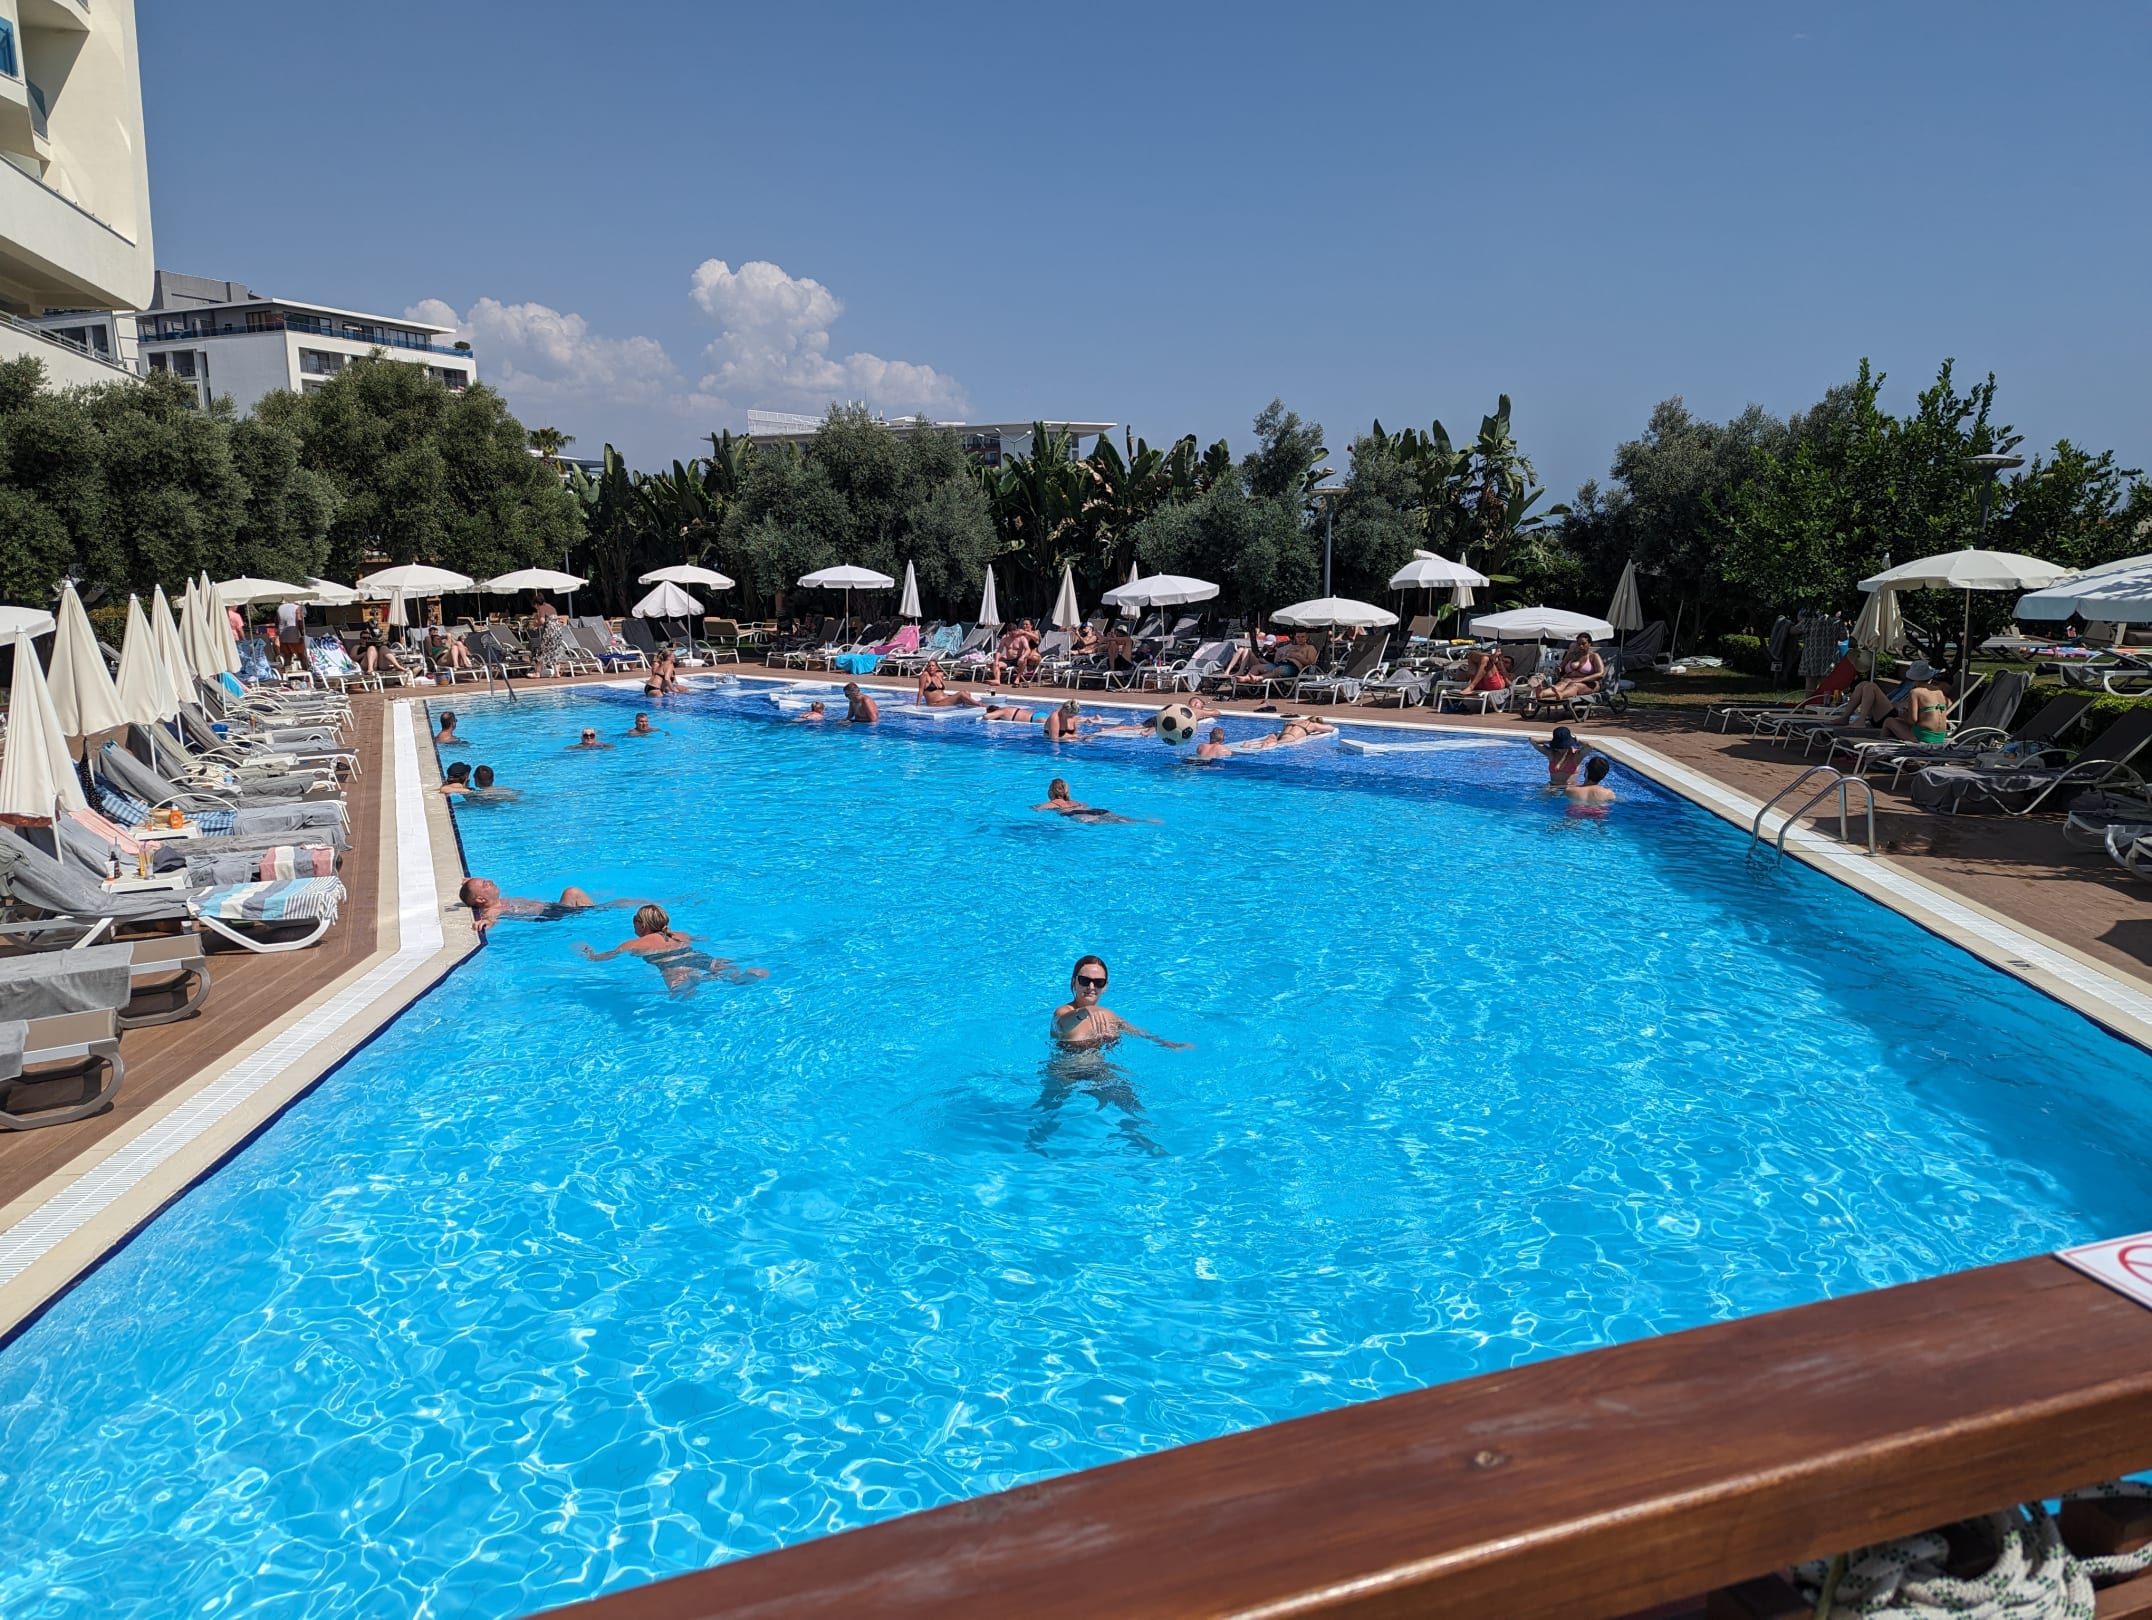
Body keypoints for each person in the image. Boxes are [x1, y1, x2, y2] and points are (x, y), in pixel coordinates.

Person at [577, 903, 767, 994]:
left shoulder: (634, 944)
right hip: (698, 956)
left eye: (635, 921)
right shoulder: (681, 934)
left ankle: (694, 981)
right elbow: (700, 939)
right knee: (728, 976)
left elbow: (608, 956)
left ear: (642, 925)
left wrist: (590, 954)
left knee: (678, 990)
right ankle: (746, 975)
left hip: (671, 964)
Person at [1050, 956, 1191, 1049]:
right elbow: (1062, 1024)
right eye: (1085, 981)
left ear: (1105, 987)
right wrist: (1085, 1011)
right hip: (1064, 1073)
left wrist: (1167, 1043)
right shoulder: (1064, 1012)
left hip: (1099, 1071)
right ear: (1074, 982)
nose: (1091, 987)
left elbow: (1137, 1032)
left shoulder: (1108, 1015)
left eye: (1098, 982)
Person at [459, 877, 629, 932]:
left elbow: (473, 892)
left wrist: (470, 884)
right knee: (573, 892)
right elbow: (490, 918)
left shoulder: (499, 900)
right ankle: (609, 910)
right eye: (485, 885)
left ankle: (601, 908)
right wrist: (486, 922)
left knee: (575, 894)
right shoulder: (494, 909)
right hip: (551, 915)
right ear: (480, 900)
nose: (489, 881)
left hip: (552, 909)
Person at [1528, 633, 1605, 707]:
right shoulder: (1571, 655)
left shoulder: (1594, 656)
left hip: (1589, 684)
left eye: (1583, 644)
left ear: (1589, 644)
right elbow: (1562, 668)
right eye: (1578, 644)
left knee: (1574, 685)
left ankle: (1562, 695)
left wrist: (1581, 680)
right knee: (1560, 685)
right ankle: (1542, 693)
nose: (1581, 646)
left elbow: (1600, 674)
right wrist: (1559, 670)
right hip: (1569, 680)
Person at [1232, 713, 1337, 753]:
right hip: (1290, 736)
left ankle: (1249, 743)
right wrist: (1318, 728)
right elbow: (1331, 728)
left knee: (1270, 738)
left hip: (1279, 733)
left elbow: (1284, 727)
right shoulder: (1312, 724)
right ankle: (1265, 746)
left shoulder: (1295, 720)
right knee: (1277, 743)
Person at [1534, 724, 1586, 788]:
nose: (1561, 749)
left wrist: (1576, 741)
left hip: (1570, 788)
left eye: (1564, 747)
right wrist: (1552, 740)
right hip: (1552, 787)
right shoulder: (1551, 754)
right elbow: (1532, 740)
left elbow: (1590, 746)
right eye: (1559, 747)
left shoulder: (1577, 755)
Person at [275, 598, 307, 672]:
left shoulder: (280, 608)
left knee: (287, 656)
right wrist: (302, 633)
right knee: (302, 655)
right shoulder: (297, 607)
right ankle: (306, 673)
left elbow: (277, 621)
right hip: (294, 635)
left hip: (283, 635)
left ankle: (287, 674)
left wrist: (279, 631)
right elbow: (299, 620)